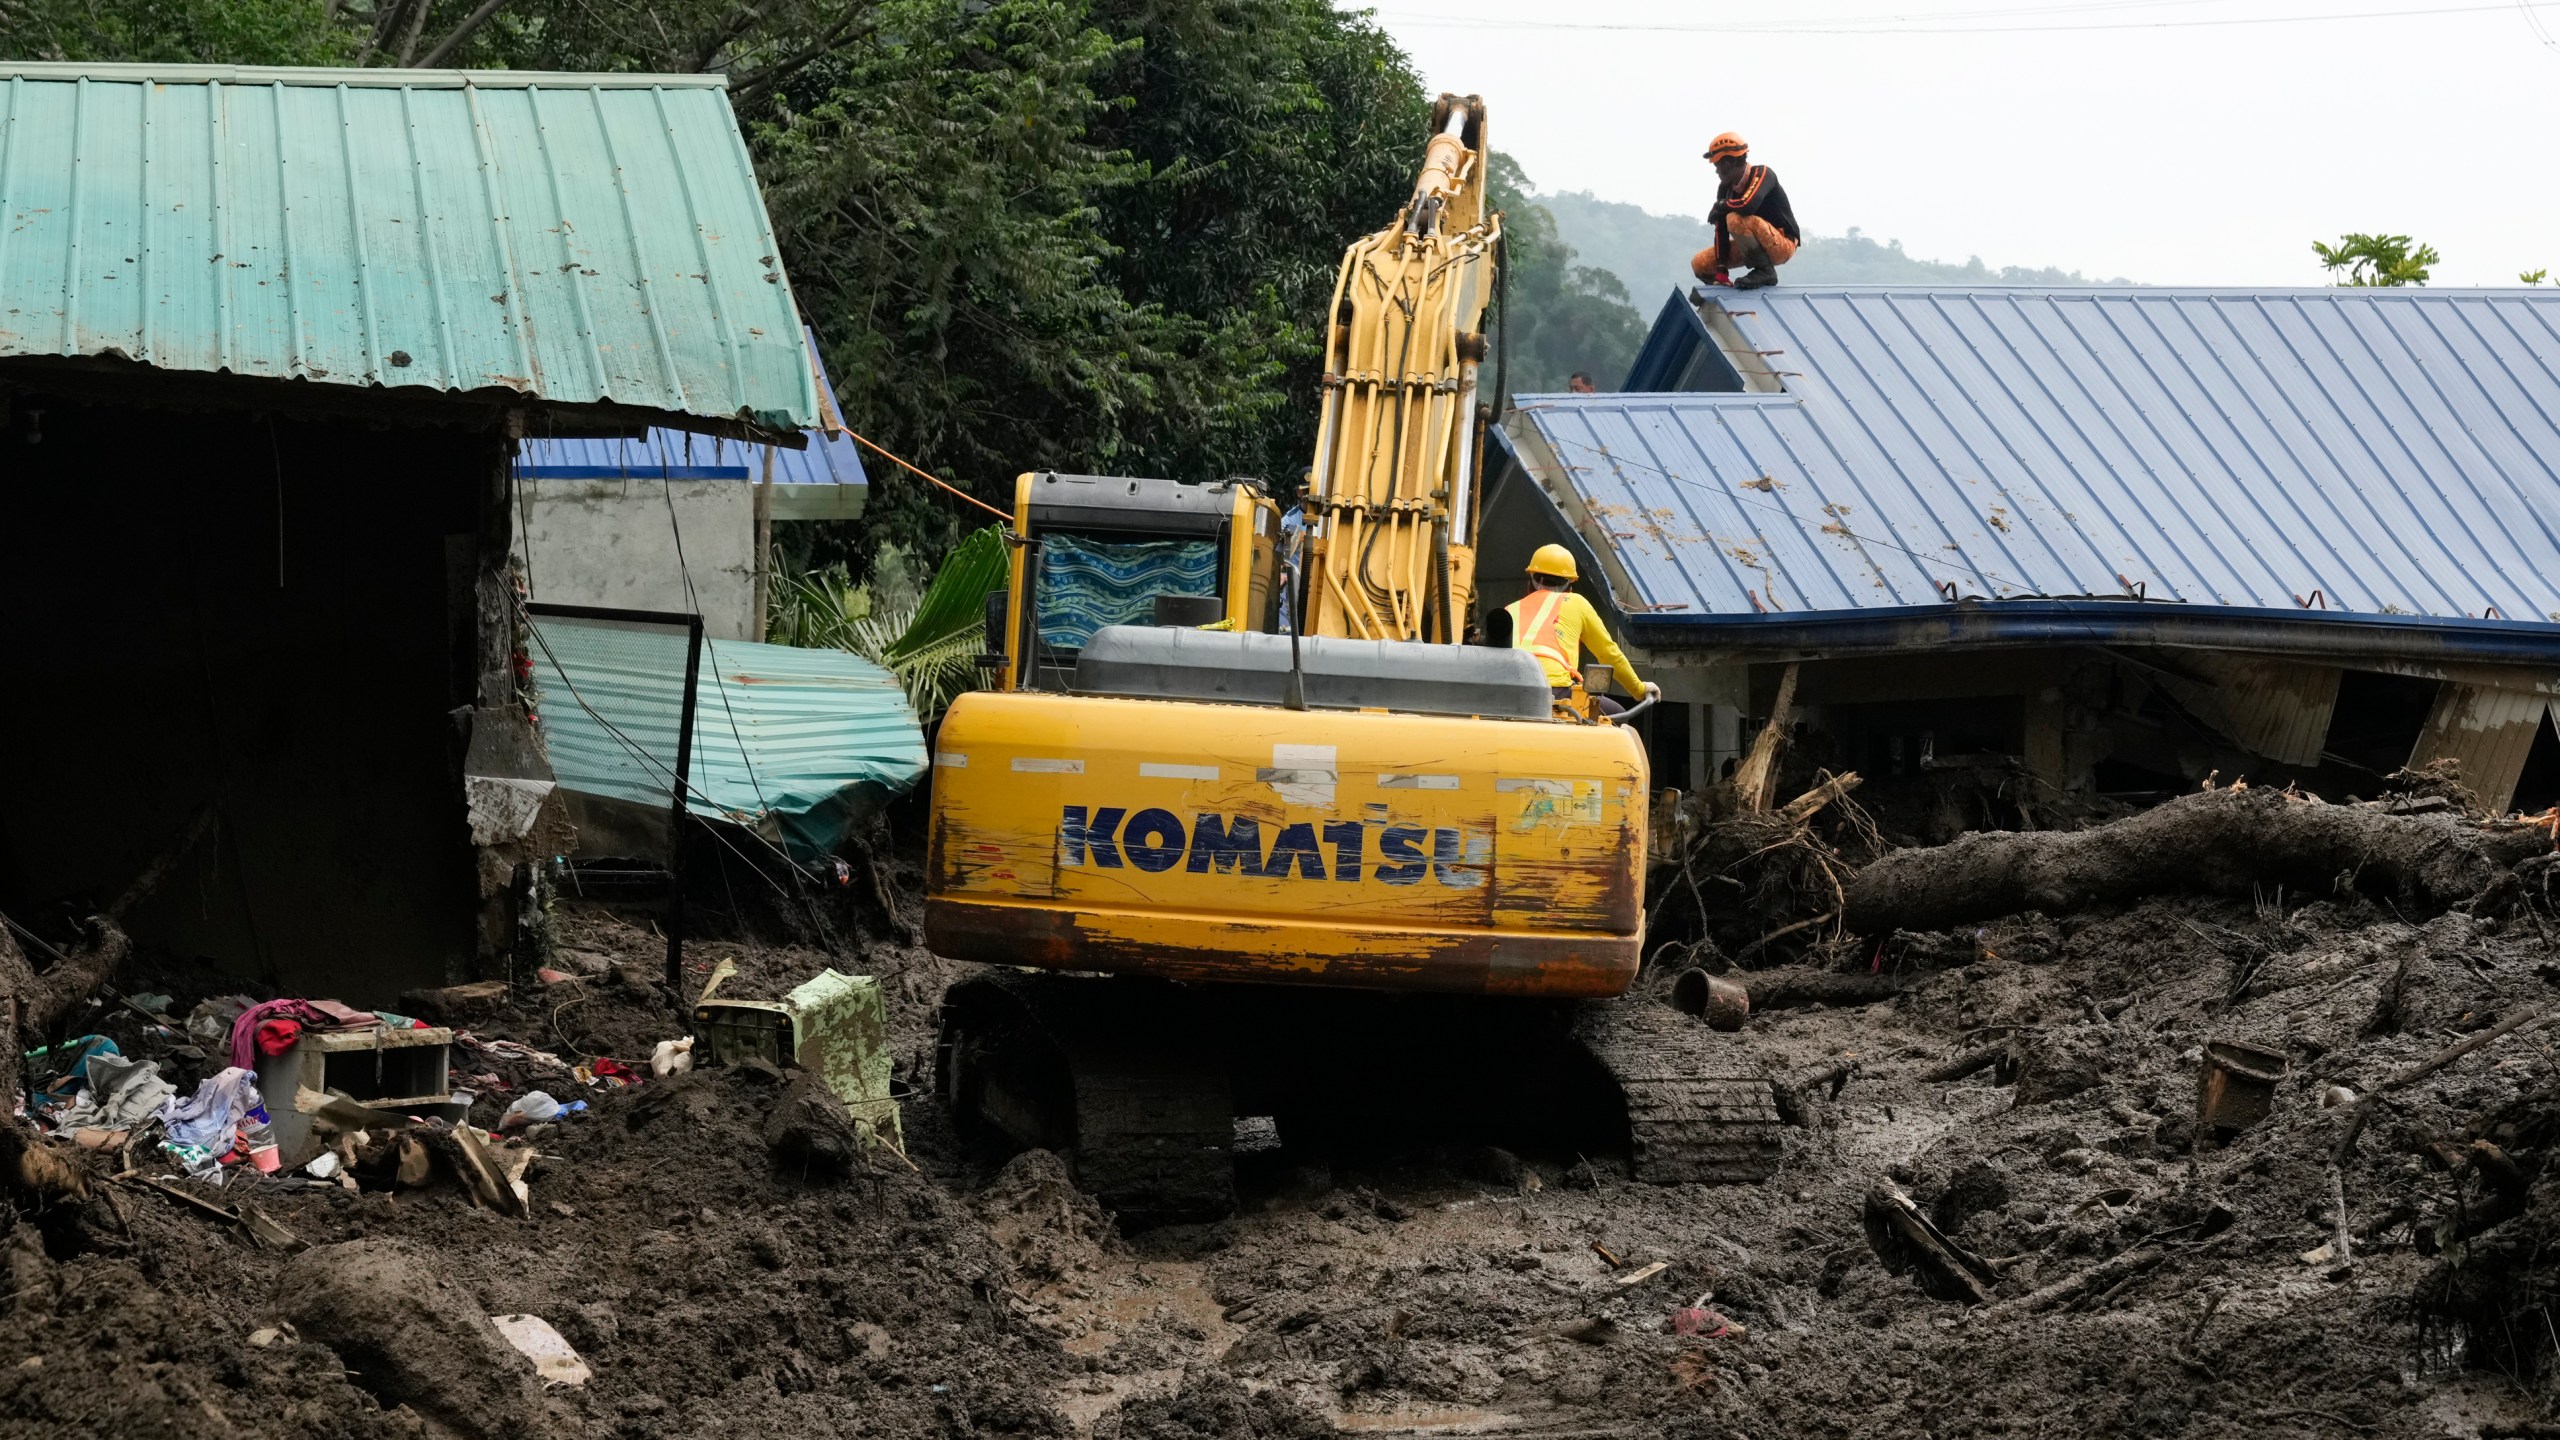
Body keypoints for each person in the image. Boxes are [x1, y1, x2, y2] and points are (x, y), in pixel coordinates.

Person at [1503, 544, 1659, 718]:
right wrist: (1639, 689)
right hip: (1553, 690)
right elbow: (1608, 653)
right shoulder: (1576, 602)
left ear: (1531, 578)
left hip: (1505, 691)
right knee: (1618, 715)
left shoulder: (1510, 609)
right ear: (1569, 583)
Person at [1689, 132, 1799, 292]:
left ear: (1728, 163)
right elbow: (1721, 229)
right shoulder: (1725, 189)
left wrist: (1721, 206)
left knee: (1735, 219)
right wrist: (1721, 270)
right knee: (1700, 264)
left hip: (1781, 243)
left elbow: (1748, 205)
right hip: (1751, 243)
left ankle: (1765, 271)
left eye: (1717, 165)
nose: (1717, 171)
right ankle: (1721, 293)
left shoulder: (1762, 174)